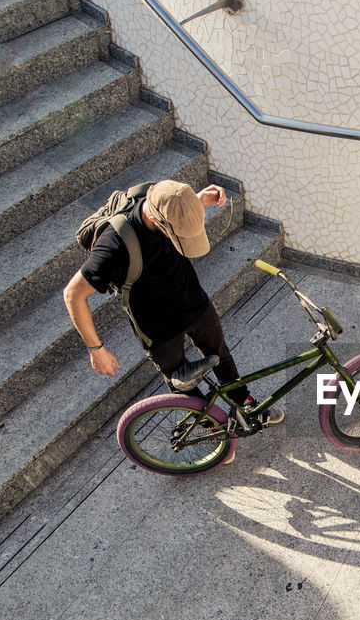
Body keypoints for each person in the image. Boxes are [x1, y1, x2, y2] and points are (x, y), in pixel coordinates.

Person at [62, 179, 281, 432]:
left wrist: (195, 202)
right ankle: (214, 428)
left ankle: (245, 403)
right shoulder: (114, 245)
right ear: (157, 221)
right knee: (180, 380)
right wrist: (96, 349)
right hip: (157, 324)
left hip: (193, 301)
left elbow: (171, 206)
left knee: (221, 355)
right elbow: (73, 294)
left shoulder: (158, 195)